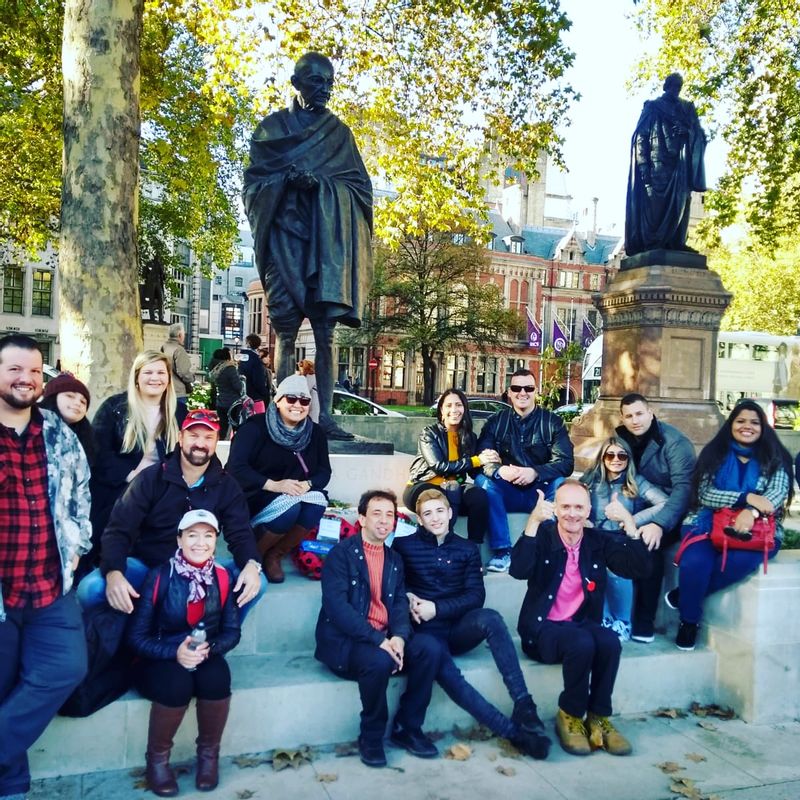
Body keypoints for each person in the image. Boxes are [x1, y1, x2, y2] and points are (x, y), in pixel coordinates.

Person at [242, 51, 373, 441]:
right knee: (284, 331)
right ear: (297, 83)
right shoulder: (271, 130)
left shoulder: (339, 135)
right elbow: (252, 188)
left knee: (324, 334)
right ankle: (284, 412)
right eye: (317, 82)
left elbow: (360, 191)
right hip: (284, 241)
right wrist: (284, 182)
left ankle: (326, 416)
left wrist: (322, 187)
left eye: (330, 83)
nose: (325, 90)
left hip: (324, 249)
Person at [393, 489, 551, 759]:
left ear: (450, 513)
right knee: (452, 676)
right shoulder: (403, 546)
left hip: (456, 629)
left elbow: (476, 596)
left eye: (439, 511)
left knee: (490, 617)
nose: (435, 518)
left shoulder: (466, 548)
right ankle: (513, 734)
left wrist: (438, 608)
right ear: (419, 519)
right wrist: (406, 594)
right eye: (427, 514)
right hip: (425, 636)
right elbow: (393, 585)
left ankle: (524, 703)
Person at [0, 335, 91, 798]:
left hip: (50, 587)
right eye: (15, 369)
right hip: (2, 593)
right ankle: (12, 785)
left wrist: (76, 545)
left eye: (35, 372)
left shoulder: (57, 432)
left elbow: (81, 496)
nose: (26, 379)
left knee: (65, 669)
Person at [77, 409, 264, 619]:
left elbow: (240, 532)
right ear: (180, 437)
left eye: (208, 437)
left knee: (257, 580)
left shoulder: (226, 485)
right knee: (91, 589)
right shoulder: (151, 478)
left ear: (215, 442)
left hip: (201, 569)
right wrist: (113, 572)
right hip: (148, 566)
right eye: (193, 436)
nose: (200, 444)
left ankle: (211, 638)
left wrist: (250, 563)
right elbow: (119, 529)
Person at [509, 480, 651, 757]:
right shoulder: (544, 536)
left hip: (581, 626)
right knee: (582, 642)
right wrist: (533, 523)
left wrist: (629, 523)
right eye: (565, 507)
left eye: (578, 507)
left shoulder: (597, 541)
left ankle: (598, 716)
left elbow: (639, 568)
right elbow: (518, 569)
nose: (572, 514)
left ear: (588, 510)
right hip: (542, 631)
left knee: (610, 641)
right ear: (555, 508)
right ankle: (570, 715)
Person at [314, 490, 441, 768]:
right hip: (347, 643)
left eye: (390, 515)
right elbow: (339, 610)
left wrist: (399, 637)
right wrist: (378, 640)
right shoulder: (340, 555)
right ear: (361, 519)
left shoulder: (394, 559)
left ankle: (408, 727)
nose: (384, 521)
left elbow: (397, 607)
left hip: (384, 638)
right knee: (379, 659)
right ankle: (371, 736)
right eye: (377, 513)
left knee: (430, 648)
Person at [127, 509, 241, 795]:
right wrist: (174, 652)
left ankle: (208, 756)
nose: (200, 543)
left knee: (217, 678)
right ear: (179, 539)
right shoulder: (160, 576)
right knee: (177, 683)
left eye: (208, 536)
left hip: (203, 651)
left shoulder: (223, 577)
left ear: (216, 541)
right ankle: (157, 761)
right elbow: (136, 637)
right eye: (192, 535)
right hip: (160, 654)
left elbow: (232, 631)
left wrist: (210, 648)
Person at [668, 401, 793, 651]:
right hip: (707, 521)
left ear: (763, 427)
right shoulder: (715, 454)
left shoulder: (775, 457)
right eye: (741, 421)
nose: (747, 426)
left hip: (758, 528)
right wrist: (744, 498)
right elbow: (705, 493)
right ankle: (689, 622)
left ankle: (684, 597)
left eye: (754, 422)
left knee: (738, 562)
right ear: (731, 424)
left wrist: (751, 511)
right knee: (695, 563)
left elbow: (776, 494)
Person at [227, 374, 330, 583]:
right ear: (278, 400)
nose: (297, 405)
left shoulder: (315, 432)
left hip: (296, 492)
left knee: (314, 505)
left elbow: (324, 472)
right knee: (290, 509)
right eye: (291, 399)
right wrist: (274, 485)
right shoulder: (255, 428)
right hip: (257, 493)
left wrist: (308, 484)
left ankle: (275, 555)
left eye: (304, 401)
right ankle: (253, 557)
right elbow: (236, 468)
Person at [88, 351, 184, 571]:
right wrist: (129, 475)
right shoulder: (115, 407)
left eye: (161, 372)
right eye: (148, 372)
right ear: (137, 377)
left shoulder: (178, 410)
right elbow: (97, 451)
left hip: (164, 486)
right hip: (121, 485)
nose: (155, 378)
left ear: (168, 378)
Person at [475, 369, 574, 573]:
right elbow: (482, 458)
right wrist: (500, 471)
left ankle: (551, 547)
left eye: (528, 388)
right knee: (482, 482)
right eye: (516, 388)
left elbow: (566, 462)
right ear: (509, 393)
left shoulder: (552, 422)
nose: (523, 393)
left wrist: (535, 472)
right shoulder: (496, 422)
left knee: (561, 483)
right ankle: (503, 551)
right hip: (507, 492)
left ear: (536, 391)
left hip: (539, 492)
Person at [615, 393, 696, 643]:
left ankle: (644, 622)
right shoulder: (621, 437)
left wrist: (659, 524)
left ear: (650, 413)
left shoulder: (674, 442)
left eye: (639, 413)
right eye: (629, 416)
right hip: (636, 504)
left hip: (671, 509)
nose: (635, 420)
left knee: (649, 545)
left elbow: (684, 490)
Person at [581, 437, 668, 641]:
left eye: (622, 455)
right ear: (602, 458)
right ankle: (604, 619)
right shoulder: (591, 479)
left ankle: (622, 621)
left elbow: (664, 503)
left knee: (618, 568)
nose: (616, 460)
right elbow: (572, 498)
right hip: (594, 537)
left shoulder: (636, 481)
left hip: (622, 539)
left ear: (628, 458)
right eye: (610, 455)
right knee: (593, 569)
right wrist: (583, 519)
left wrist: (630, 519)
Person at [625, 72, 707, 256]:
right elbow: (641, 136)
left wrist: (687, 132)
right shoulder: (653, 107)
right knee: (655, 208)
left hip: (680, 166)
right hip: (657, 165)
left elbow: (700, 135)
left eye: (679, 87)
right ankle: (653, 243)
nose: (675, 90)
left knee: (681, 203)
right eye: (673, 86)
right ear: (665, 86)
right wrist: (643, 164)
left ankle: (677, 241)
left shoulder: (687, 109)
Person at [404, 388, 495, 543]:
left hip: (453, 488)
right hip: (423, 486)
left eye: (458, 405)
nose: (454, 410)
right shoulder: (429, 433)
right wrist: (476, 460)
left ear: (464, 408)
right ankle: (443, 547)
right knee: (443, 498)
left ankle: (473, 549)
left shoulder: (469, 437)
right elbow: (438, 466)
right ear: (441, 410)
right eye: (449, 405)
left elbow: (474, 471)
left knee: (479, 496)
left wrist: (492, 459)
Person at [39, 371, 96, 468]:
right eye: (70, 396)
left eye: (83, 402)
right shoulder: (33, 428)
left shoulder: (86, 439)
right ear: (52, 398)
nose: (78, 403)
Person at [207, 348, 243, 439]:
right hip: (233, 403)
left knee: (222, 428)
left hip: (220, 402)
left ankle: (220, 446)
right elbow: (238, 386)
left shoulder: (214, 369)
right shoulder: (229, 368)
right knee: (236, 428)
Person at [161, 322, 195, 405]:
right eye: (184, 334)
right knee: (179, 416)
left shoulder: (163, 347)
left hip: (165, 389)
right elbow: (184, 372)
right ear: (180, 335)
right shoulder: (179, 350)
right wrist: (192, 378)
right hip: (178, 392)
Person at [237, 334, 270, 412]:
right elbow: (258, 381)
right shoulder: (255, 360)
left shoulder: (242, 358)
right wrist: (265, 394)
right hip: (255, 397)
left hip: (243, 395)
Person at [296, 359, 320, 423]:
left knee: (312, 418)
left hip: (313, 401)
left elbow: (306, 389)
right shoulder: (311, 376)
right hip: (311, 400)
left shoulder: (311, 376)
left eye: (300, 368)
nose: (300, 370)